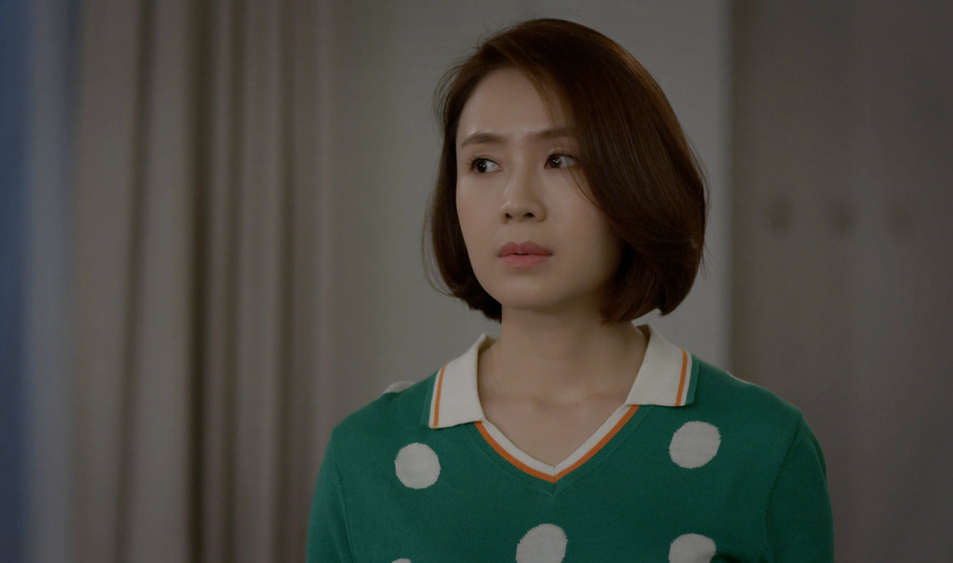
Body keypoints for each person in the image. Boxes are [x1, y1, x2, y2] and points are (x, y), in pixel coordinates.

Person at [307, 18, 833, 562]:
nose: (517, 202)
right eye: (483, 164)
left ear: (636, 179)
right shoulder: (365, 456)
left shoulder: (764, 446)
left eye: (560, 159)